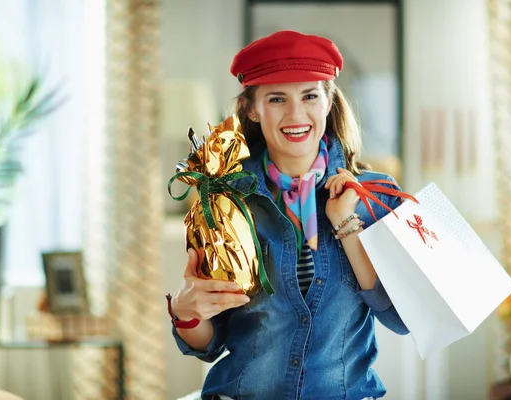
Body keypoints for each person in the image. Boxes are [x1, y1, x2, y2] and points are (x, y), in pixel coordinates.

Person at [168, 30, 409, 400]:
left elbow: (401, 318)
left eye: (310, 95)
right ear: (251, 108)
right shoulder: (223, 199)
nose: (296, 114)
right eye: (277, 98)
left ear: (329, 100)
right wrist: (187, 312)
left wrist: (347, 228)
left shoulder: (374, 196)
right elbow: (209, 343)